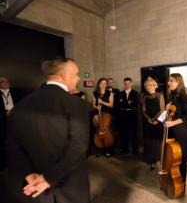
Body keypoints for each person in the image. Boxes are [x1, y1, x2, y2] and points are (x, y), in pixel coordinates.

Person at [0, 57, 90, 203]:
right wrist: (49, 178)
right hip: (70, 187)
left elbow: (12, 146)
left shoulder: (19, 106)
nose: (78, 78)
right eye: (76, 74)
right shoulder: (76, 104)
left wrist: (28, 174)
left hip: (35, 189)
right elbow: (78, 146)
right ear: (64, 76)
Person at [165, 73, 187, 184]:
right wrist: (166, 109)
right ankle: (173, 179)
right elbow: (172, 113)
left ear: (178, 82)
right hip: (172, 130)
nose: (168, 83)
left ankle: (181, 184)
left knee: (180, 159)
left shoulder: (183, 96)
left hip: (181, 131)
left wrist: (172, 123)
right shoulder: (172, 95)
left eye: (171, 80)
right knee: (173, 157)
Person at [142, 77, 165, 170]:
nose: (149, 87)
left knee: (158, 142)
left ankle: (159, 160)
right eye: (147, 86)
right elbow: (143, 110)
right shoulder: (145, 97)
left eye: (151, 85)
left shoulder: (160, 95)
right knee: (149, 142)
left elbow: (163, 110)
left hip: (158, 122)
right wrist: (148, 119)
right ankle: (152, 161)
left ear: (155, 86)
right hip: (148, 122)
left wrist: (155, 120)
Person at [0, 76, 22, 171]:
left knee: (18, 140)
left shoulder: (17, 91)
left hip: (17, 119)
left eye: (7, 81)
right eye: (2, 81)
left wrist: (14, 112)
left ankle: (18, 163)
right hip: (2, 121)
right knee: (4, 141)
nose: (5, 82)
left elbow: (23, 104)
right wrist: (5, 113)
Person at [92, 77, 114, 157]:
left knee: (106, 130)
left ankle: (108, 149)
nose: (103, 84)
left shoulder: (110, 93)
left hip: (107, 113)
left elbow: (111, 105)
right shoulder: (95, 93)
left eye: (105, 83)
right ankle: (99, 149)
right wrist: (96, 107)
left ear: (106, 84)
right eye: (101, 83)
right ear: (99, 84)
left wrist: (102, 102)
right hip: (98, 113)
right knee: (98, 129)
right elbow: (93, 104)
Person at [119, 77, 139, 154]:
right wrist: (128, 103)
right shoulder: (120, 93)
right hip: (123, 114)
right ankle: (125, 149)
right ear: (124, 84)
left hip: (132, 114)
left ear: (131, 83)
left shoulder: (135, 93)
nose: (127, 85)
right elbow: (119, 104)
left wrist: (124, 103)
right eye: (125, 83)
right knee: (124, 132)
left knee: (134, 132)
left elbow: (135, 104)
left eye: (128, 83)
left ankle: (135, 149)